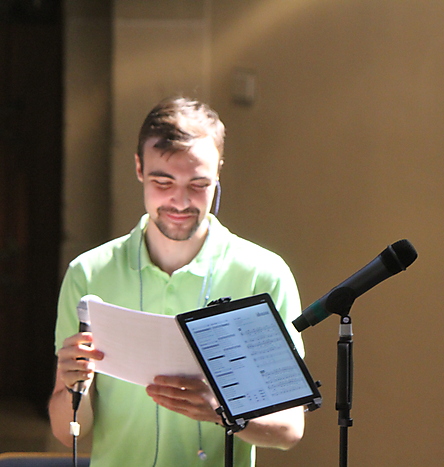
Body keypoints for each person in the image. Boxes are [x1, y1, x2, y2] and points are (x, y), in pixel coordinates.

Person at [49, 96, 306, 466]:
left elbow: (289, 429)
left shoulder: (263, 274)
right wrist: (75, 385)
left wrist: (220, 410)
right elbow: (68, 431)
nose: (181, 201)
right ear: (139, 168)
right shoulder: (88, 273)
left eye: (198, 183)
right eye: (163, 181)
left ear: (218, 172)